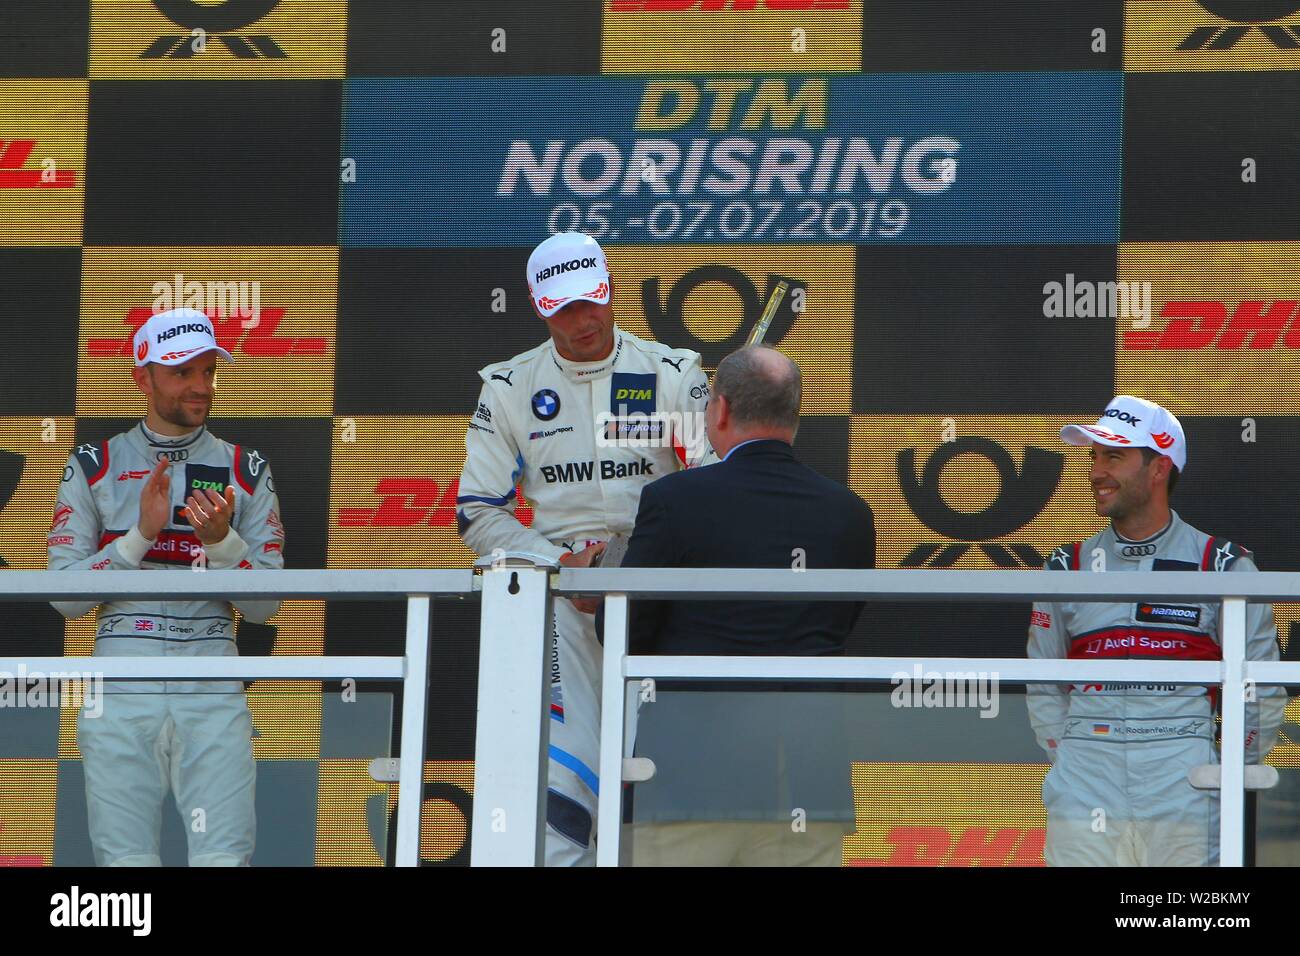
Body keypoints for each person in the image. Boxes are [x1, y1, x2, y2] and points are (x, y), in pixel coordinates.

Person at [456, 231, 714, 865]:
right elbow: (477, 510)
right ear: (540, 308)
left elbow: (713, 483)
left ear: (611, 289)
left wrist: (637, 566)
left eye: (591, 301)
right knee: (562, 773)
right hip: (562, 598)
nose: (582, 320)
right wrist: (561, 569)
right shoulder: (511, 386)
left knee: (656, 769)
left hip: (657, 587)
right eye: (564, 308)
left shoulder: (671, 371)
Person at [619, 346, 876, 866]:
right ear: (795, 415)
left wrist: (594, 595)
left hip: (689, 786)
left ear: (720, 410)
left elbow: (625, 630)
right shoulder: (849, 513)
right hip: (809, 783)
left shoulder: (673, 500)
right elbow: (840, 622)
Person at [47, 308, 284, 867]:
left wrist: (224, 543)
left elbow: (266, 605)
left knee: (224, 856)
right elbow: (62, 598)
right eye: (182, 373)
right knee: (123, 863)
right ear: (142, 378)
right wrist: (140, 537)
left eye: (208, 372)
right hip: (121, 679)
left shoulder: (245, 467)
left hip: (213, 679)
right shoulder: (94, 463)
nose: (200, 387)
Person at [1027, 395, 1284, 867]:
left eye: (1114, 456)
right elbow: (1043, 681)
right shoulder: (1066, 565)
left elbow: (1260, 689)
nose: (1096, 472)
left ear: (1158, 467)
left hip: (1183, 768)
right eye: (1094, 456)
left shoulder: (1223, 565)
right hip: (1087, 766)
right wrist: (1068, 758)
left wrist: (1229, 770)